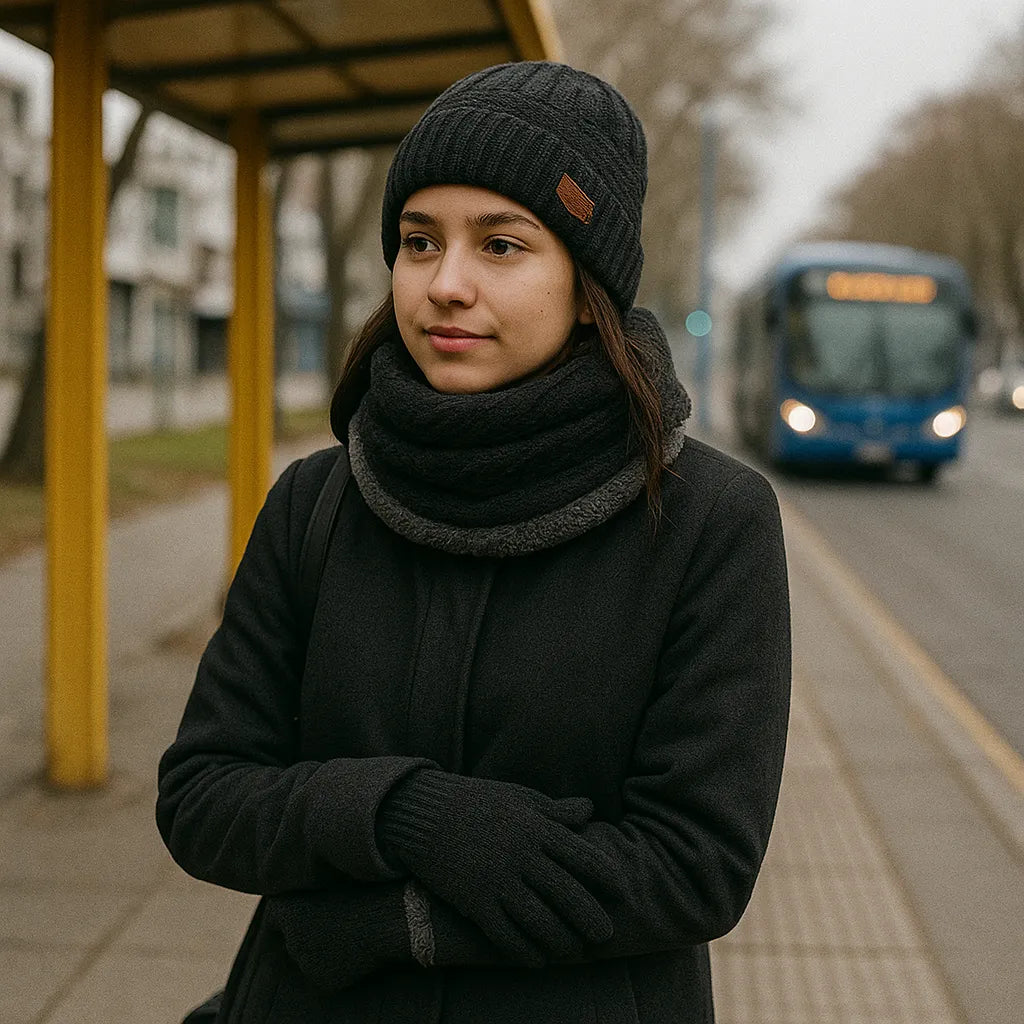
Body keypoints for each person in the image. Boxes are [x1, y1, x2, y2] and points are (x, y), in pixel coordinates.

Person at [157, 60, 791, 1024]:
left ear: (589, 289)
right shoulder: (315, 503)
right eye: (419, 242)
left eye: (501, 244)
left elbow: (695, 867)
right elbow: (203, 796)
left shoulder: (711, 520)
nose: (445, 284)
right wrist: (403, 814)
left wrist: (397, 924)